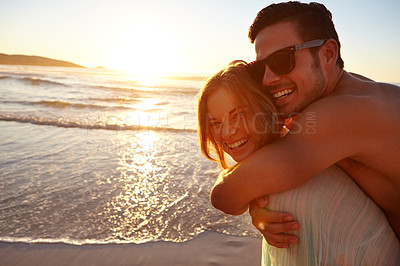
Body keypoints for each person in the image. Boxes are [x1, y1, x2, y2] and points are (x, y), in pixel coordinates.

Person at [209, 2, 400, 249]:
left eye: (282, 59)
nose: (267, 79)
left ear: (328, 54)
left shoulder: (339, 114)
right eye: (259, 69)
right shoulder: (363, 93)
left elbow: (225, 196)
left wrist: (258, 199)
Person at [198, 60, 399, 265]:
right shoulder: (309, 152)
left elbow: (222, 197)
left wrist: (246, 193)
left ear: (262, 105)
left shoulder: (288, 171)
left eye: (237, 115)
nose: (227, 132)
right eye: (215, 123)